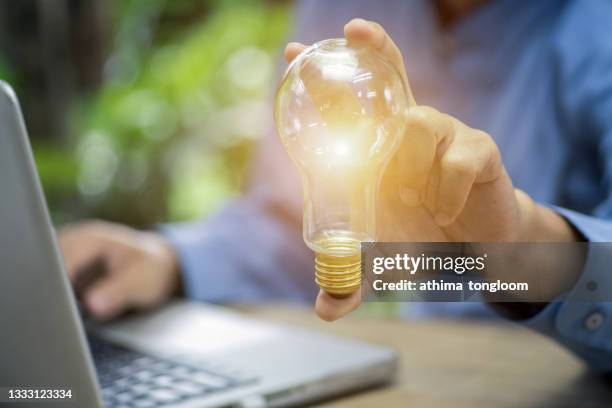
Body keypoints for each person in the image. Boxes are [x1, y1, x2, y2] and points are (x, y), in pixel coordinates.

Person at [60, 0, 612, 371]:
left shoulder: (593, 28)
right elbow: (289, 221)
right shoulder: (345, 16)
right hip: (429, 377)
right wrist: (171, 259)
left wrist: (519, 253)